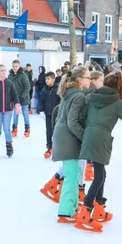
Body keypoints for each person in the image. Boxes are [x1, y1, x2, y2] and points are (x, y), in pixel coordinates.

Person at [75, 72, 122, 232]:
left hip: (89, 135)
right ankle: (86, 211)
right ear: (119, 86)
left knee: (100, 173)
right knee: (100, 175)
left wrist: (87, 128)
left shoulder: (94, 96)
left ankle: (99, 208)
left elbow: (82, 114)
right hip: (101, 137)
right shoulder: (116, 101)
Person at [45, 67, 92, 216]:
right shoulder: (78, 96)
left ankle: (70, 207)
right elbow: (72, 122)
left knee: (74, 173)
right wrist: (85, 138)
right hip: (68, 139)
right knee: (72, 176)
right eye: (87, 77)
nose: (89, 80)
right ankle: (66, 211)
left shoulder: (69, 93)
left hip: (64, 136)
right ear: (79, 79)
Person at [0, 64, 21, 157]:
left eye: (4, 70)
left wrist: (17, 104)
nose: (3, 72)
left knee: (7, 129)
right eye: (1, 70)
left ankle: (9, 147)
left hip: (8, 110)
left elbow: (14, 95)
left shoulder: (10, 83)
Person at [8, 60, 32, 138]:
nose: (15, 68)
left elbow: (28, 86)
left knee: (25, 114)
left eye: (16, 66)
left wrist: (22, 97)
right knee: (15, 114)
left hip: (23, 98)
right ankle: (14, 129)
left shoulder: (23, 75)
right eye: (13, 66)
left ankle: (27, 129)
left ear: (19, 66)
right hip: (15, 99)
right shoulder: (10, 76)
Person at [40, 72, 60, 159]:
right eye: (46, 79)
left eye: (48, 79)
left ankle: (57, 147)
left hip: (56, 115)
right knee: (48, 131)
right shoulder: (44, 90)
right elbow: (42, 101)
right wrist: (41, 110)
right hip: (48, 114)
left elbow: (61, 102)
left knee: (56, 131)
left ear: (53, 79)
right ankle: (49, 147)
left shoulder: (58, 89)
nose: (46, 81)